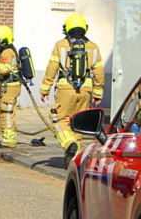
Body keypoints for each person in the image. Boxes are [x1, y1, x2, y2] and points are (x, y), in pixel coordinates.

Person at [38, 14, 105, 160]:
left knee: (59, 120)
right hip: (86, 89)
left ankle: (69, 143)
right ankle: (75, 159)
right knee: (78, 122)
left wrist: (45, 89)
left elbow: (52, 68)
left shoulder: (61, 45)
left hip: (65, 88)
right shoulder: (93, 47)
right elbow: (99, 72)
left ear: (67, 28)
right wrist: (98, 93)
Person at [0, 25, 21, 148]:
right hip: (7, 86)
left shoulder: (7, 51)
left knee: (6, 112)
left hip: (10, 87)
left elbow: (4, 70)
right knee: (4, 112)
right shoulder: (4, 51)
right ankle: (7, 137)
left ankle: (9, 140)